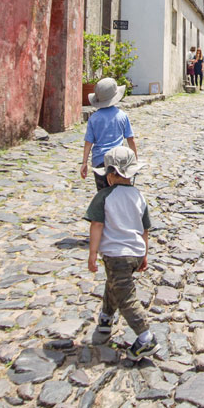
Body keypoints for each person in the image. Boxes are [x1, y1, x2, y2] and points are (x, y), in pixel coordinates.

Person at [85, 145, 159, 361]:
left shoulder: (104, 197)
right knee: (115, 284)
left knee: (126, 297)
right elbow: (144, 229)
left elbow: (97, 225)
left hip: (116, 255)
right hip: (135, 254)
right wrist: (144, 255)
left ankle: (145, 337)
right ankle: (106, 318)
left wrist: (92, 253)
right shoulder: (139, 196)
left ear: (110, 175)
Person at [80, 78, 137, 191]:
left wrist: (84, 162)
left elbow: (88, 142)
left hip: (99, 161)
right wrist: (134, 159)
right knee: (119, 192)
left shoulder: (94, 119)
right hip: (118, 161)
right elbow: (131, 140)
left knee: (103, 194)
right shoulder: (122, 116)